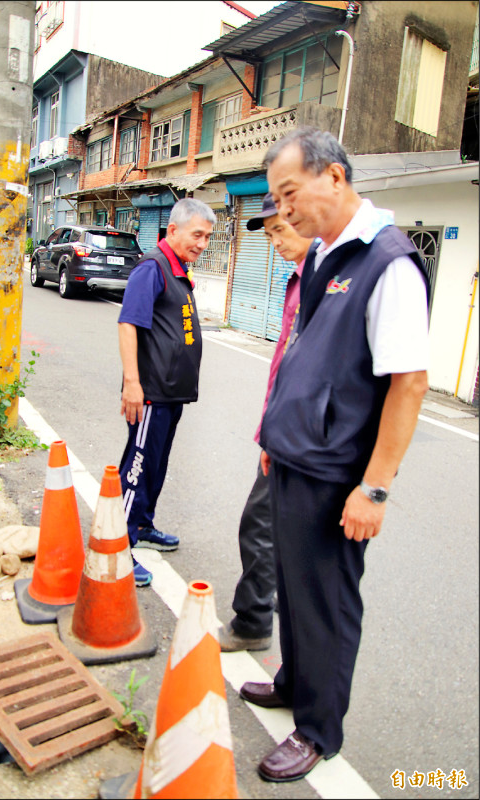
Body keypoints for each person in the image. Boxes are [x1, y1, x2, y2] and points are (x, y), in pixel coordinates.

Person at [239, 127, 430, 783]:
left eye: (289, 193)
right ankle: (294, 680)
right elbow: (305, 356)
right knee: (293, 585)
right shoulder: (324, 255)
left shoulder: (388, 263)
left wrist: (372, 489)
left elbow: (407, 383)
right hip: (294, 455)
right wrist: (274, 436)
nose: (283, 210)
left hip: (336, 473)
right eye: (275, 198)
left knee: (325, 600)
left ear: (335, 178)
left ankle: (319, 728)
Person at [218, 193, 313, 652]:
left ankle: (253, 623)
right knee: (279, 530)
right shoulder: (298, 279)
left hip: (301, 439)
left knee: (259, 526)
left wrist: (279, 437)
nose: (274, 241)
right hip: (285, 432)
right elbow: (284, 364)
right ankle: (270, 612)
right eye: (270, 232)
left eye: (280, 229)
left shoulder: (325, 283)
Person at [117, 198, 215, 587]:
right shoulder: (151, 269)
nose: (203, 243)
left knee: (156, 467)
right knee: (137, 468)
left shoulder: (179, 270)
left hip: (171, 395)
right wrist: (132, 384)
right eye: (197, 235)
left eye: (208, 237)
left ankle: (142, 525)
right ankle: (118, 545)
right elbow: (128, 324)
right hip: (151, 394)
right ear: (172, 230)